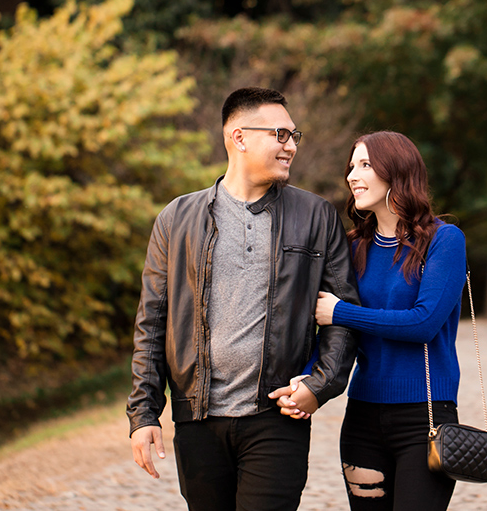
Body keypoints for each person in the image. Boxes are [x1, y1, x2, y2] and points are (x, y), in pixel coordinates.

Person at [127, 86, 360, 511]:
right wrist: (144, 415)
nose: (290, 146)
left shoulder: (316, 215)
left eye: (294, 136)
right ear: (239, 137)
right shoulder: (177, 219)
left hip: (277, 416)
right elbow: (152, 323)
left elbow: (342, 313)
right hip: (197, 420)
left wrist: (320, 385)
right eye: (280, 135)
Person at [313, 130, 467, 510]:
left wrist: (341, 311)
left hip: (425, 418)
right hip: (362, 417)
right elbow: (334, 333)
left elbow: (423, 323)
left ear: (396, 171)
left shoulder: (444, 241)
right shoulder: (352, 246)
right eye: (351, 166)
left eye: (365, 165)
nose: (352, 176)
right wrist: (307, 376)